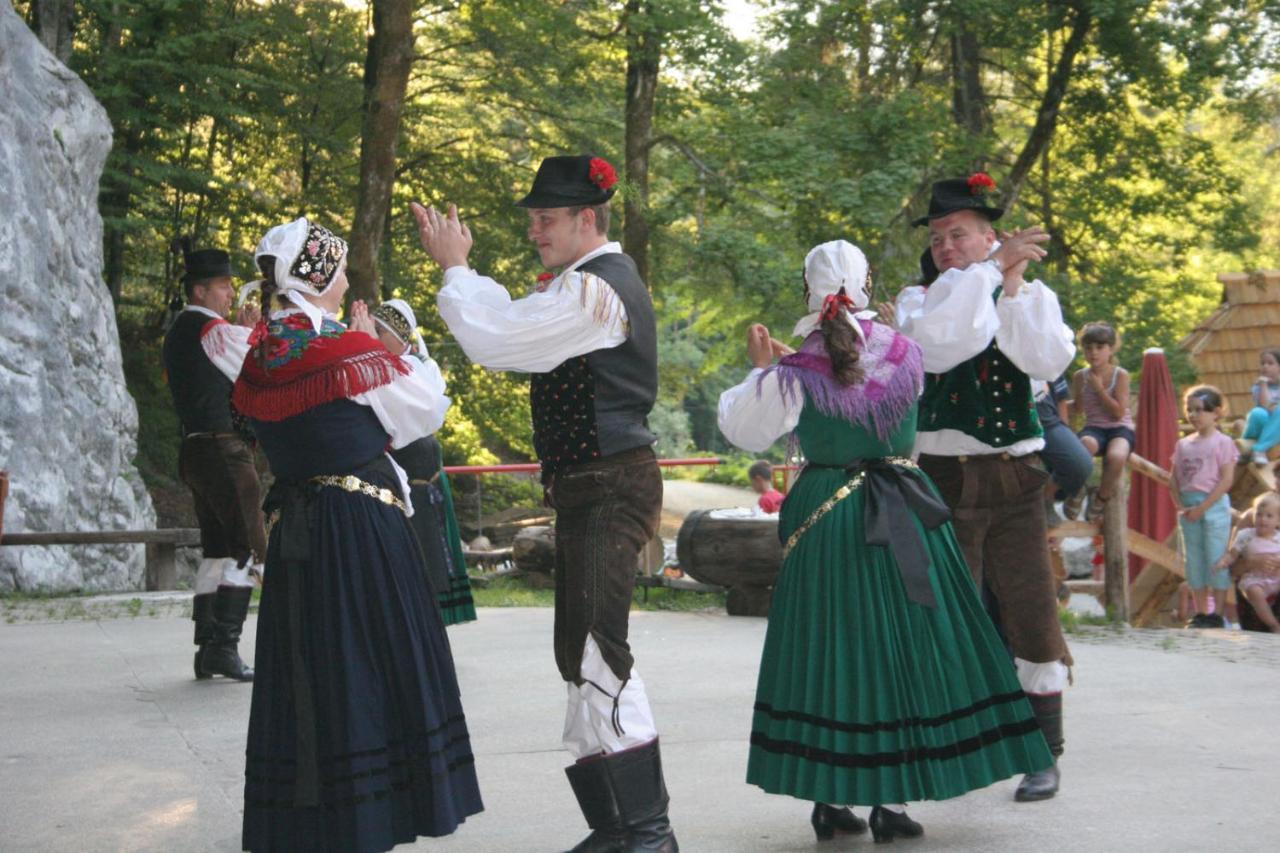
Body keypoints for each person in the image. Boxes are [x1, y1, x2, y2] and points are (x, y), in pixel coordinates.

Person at [719, 239, 1053, 843]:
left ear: (808, 291)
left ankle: (828, 799)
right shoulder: (909, 353)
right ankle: (891, 804)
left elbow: (743, 428)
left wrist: (763, 367)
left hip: (825, 519)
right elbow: (957, 340)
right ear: (868, 285)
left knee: (829, 656)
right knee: (902, 653)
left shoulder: (795, 372)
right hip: (904, 510)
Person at [413, 154, 676, 853]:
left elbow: (495, 338)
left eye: (547, 219)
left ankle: (646, 833)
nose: (535, 230)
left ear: (587, 219)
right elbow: (512, 321)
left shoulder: (597, 292)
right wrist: (461, 272)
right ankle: (622, 826)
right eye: (533, 218)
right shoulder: (579, 289)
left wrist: (454, 270)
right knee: (580, 648)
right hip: (594, 484)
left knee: (596, 649)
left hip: (611, 482)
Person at [230, 218, 482, 852]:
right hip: (359, 527)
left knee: (311, 672)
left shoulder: (262, 351)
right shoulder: (345, 352)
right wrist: (385, 349)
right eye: (338, 268)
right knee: (369, 668)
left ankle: (316, 823)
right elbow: (425, 411)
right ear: (317, 277)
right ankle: (372, 822)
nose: (346, 280)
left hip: (296, 535)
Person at [894, 173, 1075, 802]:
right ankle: (949, 743)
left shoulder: (1031, 294)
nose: (946, 245)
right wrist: (990, 274)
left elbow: (1046, 362)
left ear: (989, 235)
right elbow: (942, 348)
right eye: (939, 237)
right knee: (945, 613)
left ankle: (1042, 752)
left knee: (1032, 609)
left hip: (1018, 476)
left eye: (959, 234)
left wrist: (1014, 286)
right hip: (943, 478)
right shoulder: (918, 301)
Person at [161, 237, 265, 682]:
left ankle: (208, 647)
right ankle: (224, 647)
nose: (229, 293)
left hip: (195, 450)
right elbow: (256, 362)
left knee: (217, 550)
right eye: (222, 287)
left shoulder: (182, 331)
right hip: (223, 450)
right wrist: (254, 330)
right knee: (246, 545)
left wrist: (241, 327)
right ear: (200, 291)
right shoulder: (210, 330)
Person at [372, 299, 477, 626]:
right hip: (400, 475)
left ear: (398, 334)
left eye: (379, 331)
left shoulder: (415, 368)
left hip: (420, 476)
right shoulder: (384, 367)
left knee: (430, 552)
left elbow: (417, 420)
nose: (373, 337)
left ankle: (429, 623)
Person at [1171, 385, 1237, 630]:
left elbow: (1227, 479)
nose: (1194, 415)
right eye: (1190, 410)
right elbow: (1173, 478)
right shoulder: (1183, 445)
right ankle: (1200, 612)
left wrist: (1205, 507)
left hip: (1213, 506)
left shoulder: (1223, 442)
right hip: (1189, 509)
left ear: (1216, 412)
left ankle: (1216, 613)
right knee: (1194, 561)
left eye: (1200, 410)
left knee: (1215, 558)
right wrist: (1180, 505)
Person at [1065, 322, 1135, 522]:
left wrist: (1099, 389)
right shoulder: (1080, 376)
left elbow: (1118, 413)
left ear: (1110, 349)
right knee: (1083, 445)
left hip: (1119, 428)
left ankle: (1101, 498)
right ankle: (1077, 489)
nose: (1093, 353)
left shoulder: (1119, 375)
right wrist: (1055, 404)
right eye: (1088, 348)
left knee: (1117, 455)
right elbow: (1078, 407)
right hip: (1094, 428)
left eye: (1099, 347)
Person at [1217, 491, 1280, 633]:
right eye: (1259, 514)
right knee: (1253, 590)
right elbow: (1232, 556)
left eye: (1269, 516)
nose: (1263, 519)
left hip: (1275, 578)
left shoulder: (1278, 538)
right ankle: (1273, 624)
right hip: (1255, 579)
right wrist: (1225, 562)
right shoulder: (1246, 535)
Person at [1240, 348, 1280, 467]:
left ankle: (1259, 449)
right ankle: (1250, 447)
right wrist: (1263, 384)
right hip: (1263, 426)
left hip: (1277, 430)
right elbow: (1264, 406)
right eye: (1262, 363)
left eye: (1270, 363)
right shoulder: (1258, 387)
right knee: (1257, 412)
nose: (1265, 366)